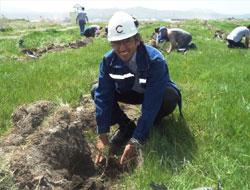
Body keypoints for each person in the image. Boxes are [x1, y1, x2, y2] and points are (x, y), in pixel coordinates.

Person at [91, 11, 182, 166]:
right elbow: (103, 95)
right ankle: (126, 126)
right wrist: (102, 134)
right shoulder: (108, 61)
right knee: (96, 89)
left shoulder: (155, 61)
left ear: (137, 40)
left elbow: (152, 102)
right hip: (129, 91)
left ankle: (151, 125)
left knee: (170, 96)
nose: (122, 48)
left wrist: (136, 140)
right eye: (116, 43)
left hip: (153, 93)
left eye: (126, 41)